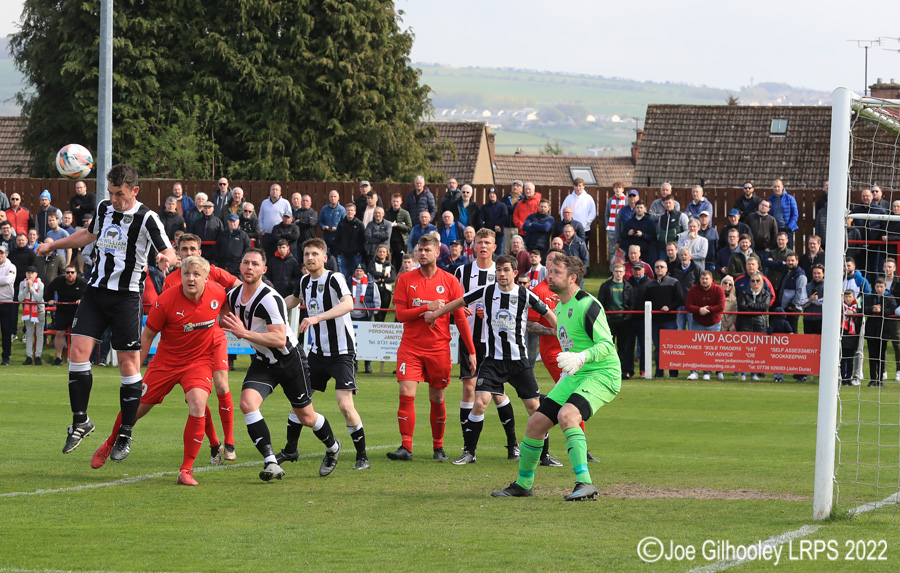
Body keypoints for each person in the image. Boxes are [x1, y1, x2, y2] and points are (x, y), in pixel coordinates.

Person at [36, 164, 175, 457]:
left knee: (128, 365)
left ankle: (125, 433)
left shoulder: (148, 218)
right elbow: (88, 235)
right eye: (111, 193)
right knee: (77, 352)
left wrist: (165, 258)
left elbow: (169, 250)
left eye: (120, 194)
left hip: (126, 298)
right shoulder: (103, 208)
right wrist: (54, 245)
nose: (114, 199)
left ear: (134, 191)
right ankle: (80, 420)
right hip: (96, 293)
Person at [492, 255, 619, 501]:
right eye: (549, 271)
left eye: (557, 272)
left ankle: (585, 483)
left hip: (602, 373)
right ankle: (523, 484)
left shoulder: (587, 304)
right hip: (575, 375)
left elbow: (607, 346)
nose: (550, 276)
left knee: (567, 415)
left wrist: (581, 358)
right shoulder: (559, 308)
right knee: (535, 424)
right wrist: (569, 368)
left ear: (573, 278)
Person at [89, 256, 226, 485]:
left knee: (198, 404)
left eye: (196, 275)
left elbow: (238, 299)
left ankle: (186, 470)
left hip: (198, 362)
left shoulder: (218, 294)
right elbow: (148, 335)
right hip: (165, 362)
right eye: (186, 274)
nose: (190, 279)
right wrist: (134, 373)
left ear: (206, 278)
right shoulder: (166, 300)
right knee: (135, 409)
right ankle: (110, 442)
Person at [426, 254, 556, 465]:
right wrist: (435, 314)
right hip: (493, 361)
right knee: (480, 403)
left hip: (519, 361)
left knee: (534, 407)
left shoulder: (525, 294)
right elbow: (458, 302)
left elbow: (550, 314)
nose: (501, 274)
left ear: (514, 273)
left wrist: (565, 335)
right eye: (499, 270)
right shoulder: (487, 291)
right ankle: (469, 452)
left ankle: (545, 456)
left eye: (506, 270)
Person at [221, 248, 340, 480]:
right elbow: (219, 316)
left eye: (255, 264)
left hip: (289, 360)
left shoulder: (270, 298)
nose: (249, 267)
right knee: (247, 403)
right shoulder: (233, 296)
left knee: (306, 417)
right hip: (263, 361)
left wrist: (244, 334)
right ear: (240, 266)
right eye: (245, 262)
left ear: (263, 270)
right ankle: (271, 462)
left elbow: (279, 339)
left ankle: (333, 447)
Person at [280, 239, 370, 470]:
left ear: (324, 256)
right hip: (317, 353)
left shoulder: (335, 278)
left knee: (344, 405)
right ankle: (291, 449)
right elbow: (292, 300)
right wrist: (270, 305)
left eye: (315, 254)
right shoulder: (304, 281)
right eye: (307, 254)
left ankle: (362, 457)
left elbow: (348, 304)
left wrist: (317, 317)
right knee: (299, 402)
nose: (310, 258)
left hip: (341, 352)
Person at [387, 234, 476, 462]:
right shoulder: (406, 280)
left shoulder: (450, 281)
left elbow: (461, 318)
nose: (423, 253)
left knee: (437, 399)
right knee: (406, 394)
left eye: (427, 249)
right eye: (420, 250)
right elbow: (400, 315)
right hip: (411, 348)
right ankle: (406, 447)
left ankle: (438, 447)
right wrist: (427, 307)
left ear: (438, 253)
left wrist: (472, 351)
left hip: (438, 349)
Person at [163, 233, 241, 461]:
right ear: (178, 253)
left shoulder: (213, 272)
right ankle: (214, 443)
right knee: (195, 398)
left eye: (192, 249)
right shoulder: (171, 280)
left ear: (199, 252)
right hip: (187, 347)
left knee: (221, 384)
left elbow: (237, 286)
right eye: (184, 249)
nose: (189, 253)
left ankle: (230, 443)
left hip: (213, 338)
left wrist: (224, 314)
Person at [452, 229, 522, 460]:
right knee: (469, 388)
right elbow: (457, 301)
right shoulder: (462, 271)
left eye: (488, 243)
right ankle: (467, 447)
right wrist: (460, 310)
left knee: (497, 393)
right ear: (473, 246)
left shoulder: (500, 272)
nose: (483, 246)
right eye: (479, 242)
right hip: (469, 338)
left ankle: (513, 444)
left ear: (494, 247)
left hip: (495, 342)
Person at [643, 260, 684, 378]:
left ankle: (673, 372)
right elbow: (646, 301)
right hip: (655, 321)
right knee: (658, 347)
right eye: (657, 267)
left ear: (666, 269)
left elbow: (680, 299)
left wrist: (670, 307)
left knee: (672, 347)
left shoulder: (674, 282)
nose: (659, 269)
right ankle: (659, 372)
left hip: (670, 320)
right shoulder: (650, 285)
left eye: (662, 267)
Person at [684, 271, 725, 380]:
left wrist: (707, 310)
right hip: (697, 323)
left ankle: (707, 372)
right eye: (702, 279)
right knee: (695, 348)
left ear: (712, 280)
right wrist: (699, 310)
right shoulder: (693, 289)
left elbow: (721, 306)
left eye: (706, 279)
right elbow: (688, 305)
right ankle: (694, 371)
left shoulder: (718, 289)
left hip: (714, 323)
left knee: (711, 349)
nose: (704, 281)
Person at [597, 262, 635, 377]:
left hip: (623, 321)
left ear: (624, 273)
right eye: (616, 271)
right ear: (613, 272)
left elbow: (632, 304)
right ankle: (607, 370)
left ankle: (623, 371)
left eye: (621, 271)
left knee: (623, 348)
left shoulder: (628, 286)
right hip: (609, 321)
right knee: (608, 347)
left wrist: (627, 317)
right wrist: (605, 318)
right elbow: (601, 303)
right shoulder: (606, 285)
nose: (618, 274)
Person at [45, 265, 87, 366]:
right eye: (68, 272)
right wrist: (50, 299)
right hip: (62, 311)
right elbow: (49, 289)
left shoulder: (82, 283)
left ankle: (76, 358)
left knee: (77, 335)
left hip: (77, 312)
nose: (70, 275)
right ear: (65, 274)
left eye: (72, 272)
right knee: (59, 333)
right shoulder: (58, 281)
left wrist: (82, 300)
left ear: (76, 273)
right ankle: (58, 358)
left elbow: (90, 294)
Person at [862, 279, 897, 387]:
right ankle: (873, 379)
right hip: (871, 330)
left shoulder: (890, 298)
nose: (879, 289)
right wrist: (873, 309)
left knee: (881, 356)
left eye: (881, 287)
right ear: (874, 287)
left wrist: (880, 311)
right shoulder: (870, 297)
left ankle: (880, 379)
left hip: (883, 330)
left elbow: (892, 310)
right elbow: (862, 309)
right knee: (872, 356)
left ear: (885, 287)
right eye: (877, 286)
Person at [737, 273, 771, 381]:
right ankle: (743, 373)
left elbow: (764, 307)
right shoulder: (744, 293)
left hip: (760, 323)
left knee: (757, 350)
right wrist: (757, 310)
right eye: (753, 281)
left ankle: (754, 374)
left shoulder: (766, 294)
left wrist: (750, 305)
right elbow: (742, 307)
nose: (755, 283)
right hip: (745, 323)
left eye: (757, 280)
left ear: (761, 282)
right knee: (744, 350)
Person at [18, 266, 44, 365]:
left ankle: (38, 356)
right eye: (28, 272)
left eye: (32, 273)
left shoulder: (40, 284)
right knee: (29, 333)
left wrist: (31, 288)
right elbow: (20, 298)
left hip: (39, 310)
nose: (30, 274)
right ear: (26, 274)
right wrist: (26, 289)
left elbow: (38, 298)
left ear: (36, 274)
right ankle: (28, 356)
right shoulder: (22, 283)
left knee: (39, 333)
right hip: (27, 311)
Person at [560, 178, 597, 244]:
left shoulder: (588, 198)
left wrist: (585, 224)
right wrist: (567, 225)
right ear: (573, 186)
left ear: (583, 186)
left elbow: (593, 212)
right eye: (576, 186)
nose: (578, 188)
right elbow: (562, 211)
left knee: (582, 248)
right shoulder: (569, 198)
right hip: (569, 230)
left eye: (580, 186)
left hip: (584, 229)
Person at [334, 203, 366, 279]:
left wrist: (359, 251)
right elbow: (337, 238)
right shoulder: (341, 224)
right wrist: (339, 251)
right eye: (348, 210)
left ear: (355, 212)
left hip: (356, 255)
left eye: (351, 210)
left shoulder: (359, 224)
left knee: (357, 276)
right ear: (345, 212)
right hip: (343, 255)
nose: (350, 212)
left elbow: (363, 239)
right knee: (343, 276)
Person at [258, 183, 291, 257]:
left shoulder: (285, 203)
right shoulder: (264, 203)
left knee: (279, 256)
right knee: (267, 256)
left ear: (280, 192)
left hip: (279, 236)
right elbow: (260, 218)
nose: (274, 191)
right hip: (267, 234)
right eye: (273, 189)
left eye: (276, 190)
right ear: (270, 192)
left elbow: (289, 218)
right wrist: (262, 230)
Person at [384, 192, 412, 270]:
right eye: (394, 201)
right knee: (388, 260)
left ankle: (400, 277)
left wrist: (398, 225)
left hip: (400, 241)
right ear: (391, 202)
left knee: (400, 261)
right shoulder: (387, 213)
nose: (395, 203)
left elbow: (409, 227)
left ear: (401, 202)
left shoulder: (405, 213)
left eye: (397, 201)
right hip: (389, 241)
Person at [768, 179, 799, 249]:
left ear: (782, 187)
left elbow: (795, 215)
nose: (776, 189)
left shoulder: (790, 198)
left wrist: (789, 227)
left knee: (787, 252)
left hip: (786, 229)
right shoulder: (770, 199)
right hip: (774, 230)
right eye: (775, 187)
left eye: (778, 186)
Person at [368, 245, 395, 321]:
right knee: (376, 310)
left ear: (387, 254)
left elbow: (392, 278)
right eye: (380, 251)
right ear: (377, 253)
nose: (382, 253)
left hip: (386, 290)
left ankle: (381, 325)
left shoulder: (390, 265)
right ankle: (376, 323)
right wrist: (384, 275)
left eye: (384, 252)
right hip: (375, 289)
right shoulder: (372, 263)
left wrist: (382, 280)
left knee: (384, 309)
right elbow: (373, 272)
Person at [840, 290, 861, 386]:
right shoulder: (840, 308)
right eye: (846, 297)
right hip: (843, 336)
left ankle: (849, 378)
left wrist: (854, 315)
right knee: (842, 358)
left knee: (850, 359)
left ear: (853, 298)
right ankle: (843, 378)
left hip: (853, 337)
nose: (847, 299)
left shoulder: (857, 308)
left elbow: (859, 323)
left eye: (850, 297)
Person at [603, 182, 627, 266]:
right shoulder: (610, 200)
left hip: (623, 230)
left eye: (619, 187)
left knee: (623, 251)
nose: (617, 189)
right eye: (616, 187)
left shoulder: (626, 200)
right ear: (613, 189)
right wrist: (607, 225)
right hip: (612, 229)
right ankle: (612, 271)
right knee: (612, 251)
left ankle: (623, 270)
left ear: (623, 189)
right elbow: (607, 214)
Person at [480, 188, 509, 254]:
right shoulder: (485, 207)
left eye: (493, 193)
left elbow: (505, 217)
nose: (492, 195)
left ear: (496, 195)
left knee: (499, 254)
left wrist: (497, 224)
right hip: (488, 235)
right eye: (490, 194)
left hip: (499, 234)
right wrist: (483, 227)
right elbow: (480, 218)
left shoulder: (502, 206)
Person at [501, 181, 524, 254]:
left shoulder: (523, 199)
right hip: (506, 226)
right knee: (506, 248)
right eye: (514, 185)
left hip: (517, 227)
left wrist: (510, 208)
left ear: (521, 189)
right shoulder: (505, 198)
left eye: (518, 186)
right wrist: (514, 208)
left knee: (516, 248)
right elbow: (503, 209)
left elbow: (520, 210)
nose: (515, 187)